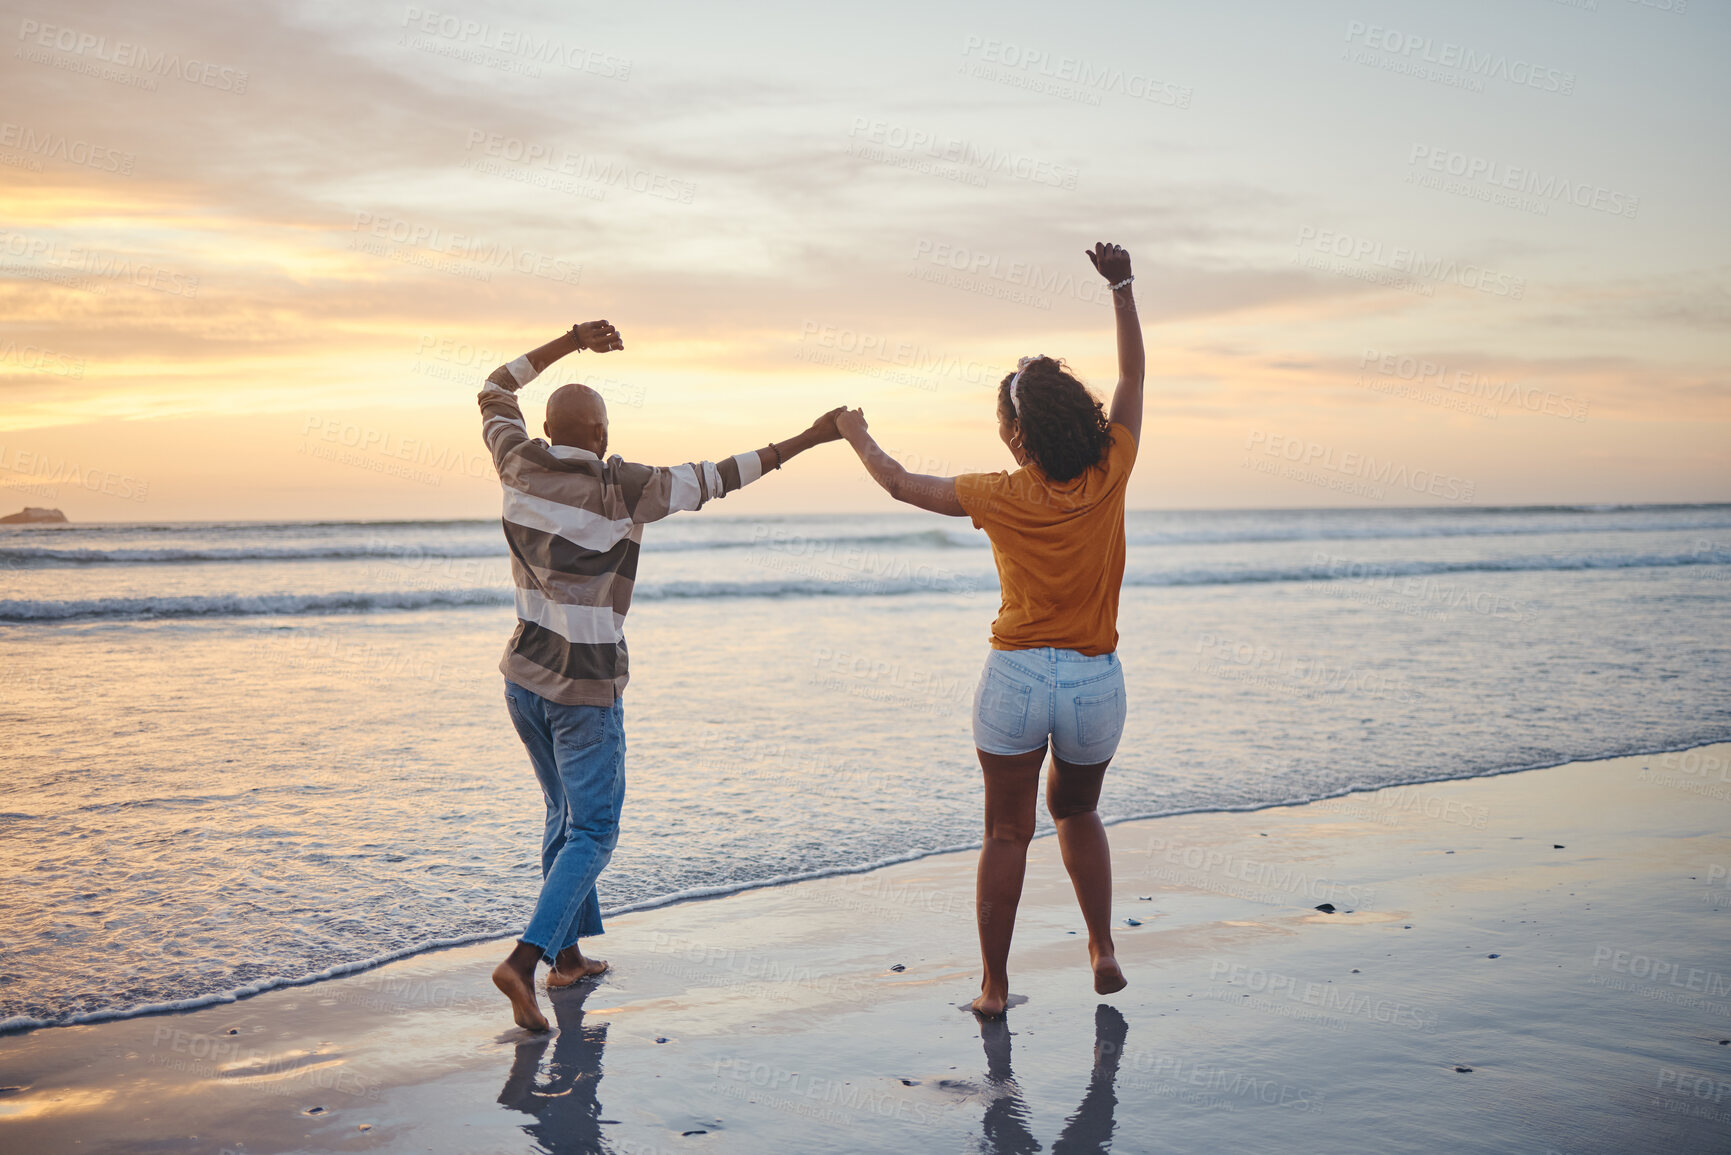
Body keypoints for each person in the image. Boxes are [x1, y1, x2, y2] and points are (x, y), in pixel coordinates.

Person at [479, 318, 845, 1031]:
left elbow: (495, 386)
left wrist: (570, 340)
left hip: (522, 678)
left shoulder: (516, 460)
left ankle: (565, 958)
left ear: (549, 425)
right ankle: (522, 961)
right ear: (600, 436)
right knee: (593, 831)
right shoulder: (624, 487)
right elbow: (722, 476)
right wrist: (810, 437)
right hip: (583, 691)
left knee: (562, 814)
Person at [834, 241, 1144, 1017]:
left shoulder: (996, 492)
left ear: (1016, 434)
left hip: (1013, 679)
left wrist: (855, 433)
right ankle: (1102, 947)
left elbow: (903, 483)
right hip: (1093, 680)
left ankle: (995, 986)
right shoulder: (1113, 466)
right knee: (1076, 810)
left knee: (1007, 832)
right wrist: (1122, 287)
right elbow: (1132, 378)